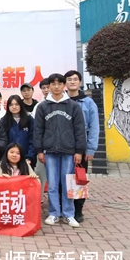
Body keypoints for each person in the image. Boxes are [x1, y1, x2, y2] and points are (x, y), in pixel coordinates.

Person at [34, 73, 87, 228]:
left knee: (67, 183)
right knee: (52, 184)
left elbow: (80, 130)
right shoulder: (43, 107)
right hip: (49, 151)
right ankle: (54, 213)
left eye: (59, 84)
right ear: (49, 86)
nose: (56, 87)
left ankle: (69, 214)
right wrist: (39, 150)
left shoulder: (73, 106)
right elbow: (38, 130)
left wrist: (79, 151)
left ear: (64, 86)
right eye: (53, 84)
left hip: (69, 151)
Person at [65, 70, 99, 223]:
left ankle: (78, 210)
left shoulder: (88, 102)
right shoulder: (61, 101)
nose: (72, 82)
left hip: (81, 146)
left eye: (75, 79)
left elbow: (94, 127)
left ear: (80, 82)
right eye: (69, 79)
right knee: (63, 178)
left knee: (79, 178)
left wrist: (90, 148)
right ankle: (64, 208)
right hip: (63, 146)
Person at [1, 95, 36, 167]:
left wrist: (29, 157)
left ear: (21, 105)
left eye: (17, 104)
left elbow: (33, 139)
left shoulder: (29, 119)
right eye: (11, 105)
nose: (14, 107)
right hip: (9, 160)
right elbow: (3, 141)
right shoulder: (4, 121)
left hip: (27, 159)